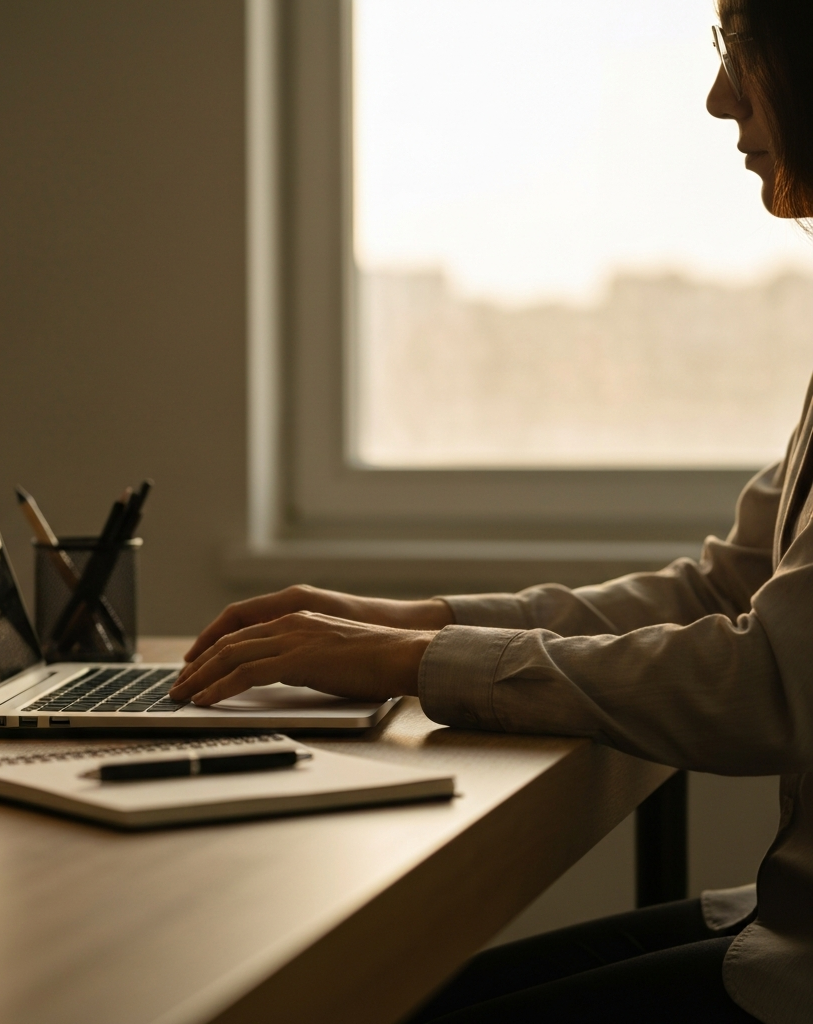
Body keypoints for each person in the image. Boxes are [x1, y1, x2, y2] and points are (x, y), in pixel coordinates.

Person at [171, 2, 813, 1022]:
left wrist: (411, 665)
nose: (717, 95)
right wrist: (410, 622)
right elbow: (723, 590)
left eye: (740, 46)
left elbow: (772, 684)